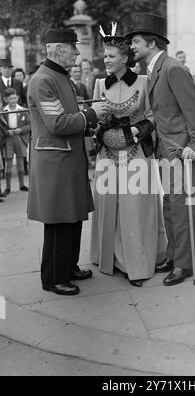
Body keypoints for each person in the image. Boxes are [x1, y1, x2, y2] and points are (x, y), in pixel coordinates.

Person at [127, 13, 195, 286]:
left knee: (181, 207)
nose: (132, 46)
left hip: (182, 152)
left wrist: (194, 147)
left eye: (136, 41)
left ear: (152, 42)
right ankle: (174, 256)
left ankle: (184, 265)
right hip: (165, 150)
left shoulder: (173, 68)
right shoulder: (152, 70)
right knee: (170, 205)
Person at [27, 28, 104, 296]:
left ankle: (68, 267)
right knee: (60, 220)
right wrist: (91, 115)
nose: (77, 52)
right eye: (73, 47)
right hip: (55, 161)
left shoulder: (59, 76)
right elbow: (57, 123)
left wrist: (86, 126)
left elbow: (68, 117)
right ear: (58, 49)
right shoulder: (43, 80)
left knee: (72, 216)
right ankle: (53, 278)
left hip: (67, 158)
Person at [90, 34, 167, 288]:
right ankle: (112, 258)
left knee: (135, 209)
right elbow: (96, 120)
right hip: (108, 155)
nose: (106, 60)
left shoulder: (144, 82)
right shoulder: (100, 83)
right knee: (110, 206)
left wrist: (134, 132)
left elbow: (153, 115)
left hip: (136, 154)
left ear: (125, 58)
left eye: (111, 56)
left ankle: (138, 264)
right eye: (105, 55)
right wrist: (104, 132)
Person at [0, 88, 30, 195]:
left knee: (20, 162)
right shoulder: (3, 111)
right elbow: (1, 126)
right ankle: (8, 187)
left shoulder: (22, 110)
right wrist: (6, 132)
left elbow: (30, 124)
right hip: (8, 138)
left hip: (19, 137)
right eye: (11, 98)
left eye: (15, 97)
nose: (13, 100)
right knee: (8, 163)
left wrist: (21, 130)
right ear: (6, 99)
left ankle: (22, 185)